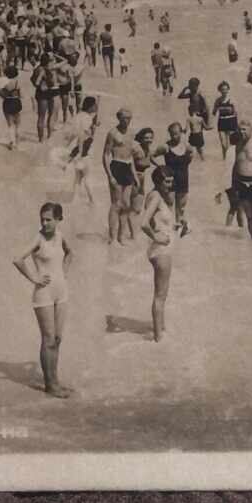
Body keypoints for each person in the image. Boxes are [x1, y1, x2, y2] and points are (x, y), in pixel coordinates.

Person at [12, 203, 72, 397]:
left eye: (48, 220)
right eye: (42, 220)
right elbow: (17, 259)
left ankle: (55, 379)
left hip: (61, 292)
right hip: (44, 294)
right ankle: (50, 385)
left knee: (57, 339)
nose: (44, 223)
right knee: (48, 339)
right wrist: (34, 278)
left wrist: (64, 272)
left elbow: (70, 253)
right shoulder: (38, 239)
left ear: (58, 219)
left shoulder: (60, 236)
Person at [140, 168, 180, 342]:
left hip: (159, 249)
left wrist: (175, 226)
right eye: (167, 182)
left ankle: (160, 331)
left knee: (161, 295)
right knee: (160, 296)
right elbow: (143, 223)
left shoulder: (154, 195)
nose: (170, 185)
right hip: (160, 250)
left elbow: (155, 222)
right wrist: (156, 236)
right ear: (157, 181)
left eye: (171, 181)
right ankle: (158, 339)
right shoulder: (156, 197)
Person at [102, 107, 137, 244]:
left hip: (128, 167)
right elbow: (105, 155)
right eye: (125, 118)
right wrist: (109, 175)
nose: (127, 121)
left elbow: (131, 156)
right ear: (119, 118)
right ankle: (112, 238)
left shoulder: (132, 133)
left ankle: (121, 236)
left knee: (126, 204)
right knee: (116, 204)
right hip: (116, 166)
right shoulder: (112, 133)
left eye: (129, 118)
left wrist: (134, 174)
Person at [155, 122, 194, 233]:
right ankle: (167, 231)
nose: (174, 136)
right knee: (169, 206)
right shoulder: (166, 147)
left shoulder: (186, 146)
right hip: (170, 181)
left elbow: (192, 153)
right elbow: (152, 155)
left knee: (181, 208)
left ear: (181, 133)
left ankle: (178, 233)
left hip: (183, 179)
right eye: (172, 134)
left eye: (176, 134)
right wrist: (160, 167)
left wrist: (187, 162)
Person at [0, 64, 24, 150]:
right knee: (18, 124)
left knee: (10, 124)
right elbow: (21, 95)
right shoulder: (17, 82)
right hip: (16, 101)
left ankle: (12, 142)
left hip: (7, 102)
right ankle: (18, 144)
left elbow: (0, 93)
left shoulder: (4, 82)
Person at [212, 81, 239, 159]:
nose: (224, 91)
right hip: (221, 122)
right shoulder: (218, 100)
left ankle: (231, 160)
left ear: (228, 90)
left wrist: (237, 126)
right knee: (223, 145)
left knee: (231, 144)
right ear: (219, 90)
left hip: (231, 121)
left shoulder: (232, 99)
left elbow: (236, 113)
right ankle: (224, 160)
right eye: (222, 89)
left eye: (226, 89)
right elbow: (213, 112)